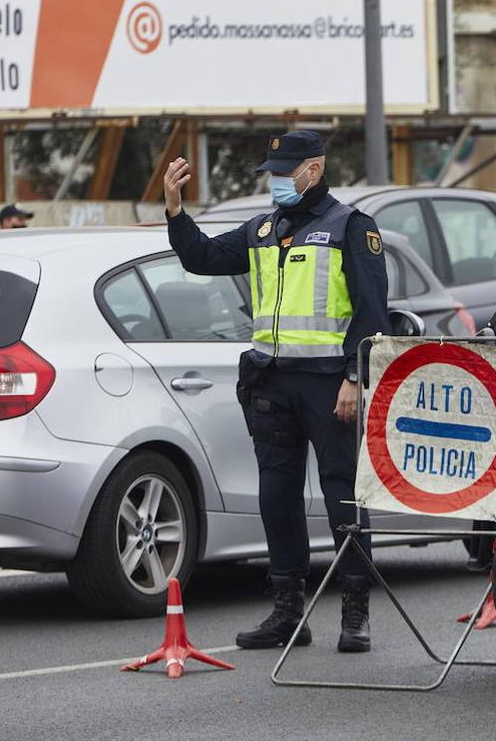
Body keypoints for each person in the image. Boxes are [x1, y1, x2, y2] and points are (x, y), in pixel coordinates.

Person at [163, 130, 389, 653]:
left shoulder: (350, 228)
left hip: (331, 385)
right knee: (277, 500)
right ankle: (288, 612)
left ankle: (355, 612)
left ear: (314, 169)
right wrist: (176, 211)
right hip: (273, 382)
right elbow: (201, 257)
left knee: (342, 496)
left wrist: (355, 378)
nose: (279, 182)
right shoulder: (264, 229)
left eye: (287, 172)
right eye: (274, 173)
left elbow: (373, 312)